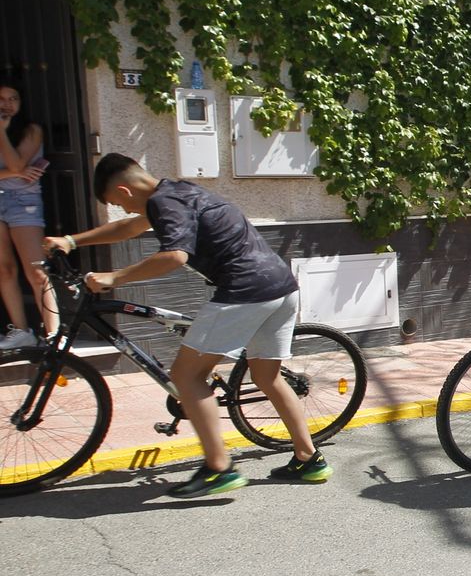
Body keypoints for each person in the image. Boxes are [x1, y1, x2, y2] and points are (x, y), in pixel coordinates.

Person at [43, 153, 322, 498]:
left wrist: (114, 277)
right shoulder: (179, 191)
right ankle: (309, 459)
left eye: (118, 203)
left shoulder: (162, 202)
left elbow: (174, 256)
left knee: (186, 376)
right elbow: (129, 228)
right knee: (267, 377)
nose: (124, 210)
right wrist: (71, 241)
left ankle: (218, 468)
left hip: (245, 290)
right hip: (281, 285)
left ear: (124, 190)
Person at [0, 80, 57, 349]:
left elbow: (17, 163)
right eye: (1, 99)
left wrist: (1, 132)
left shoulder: (32, 130)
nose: (7, 104)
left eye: (13, 99)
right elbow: (16, 170)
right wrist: (15, 173)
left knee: (36, 270)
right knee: (4, 270)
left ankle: (55, 334)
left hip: (24, 203)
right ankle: (22, 331)